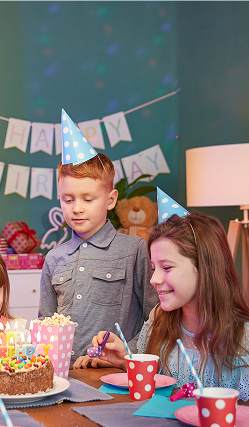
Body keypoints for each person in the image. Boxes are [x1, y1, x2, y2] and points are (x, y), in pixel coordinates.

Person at [86, 212, 249, 400]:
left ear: (205, 267)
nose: (154, 279)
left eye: (167, 267)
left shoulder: (243, 339)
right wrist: (126, 360)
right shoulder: (158, 319)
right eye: (154, 268)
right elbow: (153, 385)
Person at [41, 150, 158, 367]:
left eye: (88, 199)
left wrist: (127, 352)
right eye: (68, 199)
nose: (77, 208)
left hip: (116, 374)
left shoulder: (134, 250)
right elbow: (46, 323)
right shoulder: (54, 258)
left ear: (110, 199)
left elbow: (156, 318)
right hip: (63, 373)